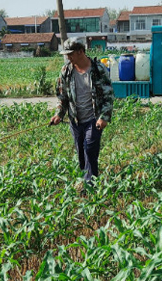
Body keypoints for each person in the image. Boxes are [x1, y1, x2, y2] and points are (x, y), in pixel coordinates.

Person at [50, 37, 114, 187]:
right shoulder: (66, 71)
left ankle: (90, 185)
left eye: (70, 54)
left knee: (90, 150)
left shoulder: (98, 70)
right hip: (75, 120)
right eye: (66, 55)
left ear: (80, 51)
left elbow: (108, 95)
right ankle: (86, 179)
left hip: (94, 118)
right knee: (80, 153)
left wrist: (104, 117)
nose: (68, 57)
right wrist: (59, 114)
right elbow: (62, 96)